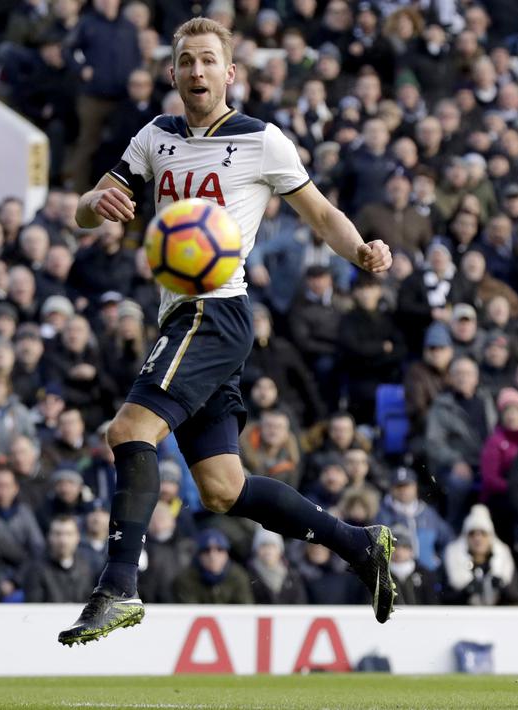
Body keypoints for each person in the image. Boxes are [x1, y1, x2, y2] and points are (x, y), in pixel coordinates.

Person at [58, 17, 395, 647]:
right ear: (173, 72)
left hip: (213, 310)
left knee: (130, 430)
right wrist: (92, 206)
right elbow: (86, 208)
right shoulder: (155, 137)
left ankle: (119, 585)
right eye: (186, 61)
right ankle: (359, 545)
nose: (197, 72)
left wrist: (363, 253)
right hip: (181, 316)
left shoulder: (263, 141)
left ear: (230, 72)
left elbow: (321, 214)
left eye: (209, 61)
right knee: (222, 488)